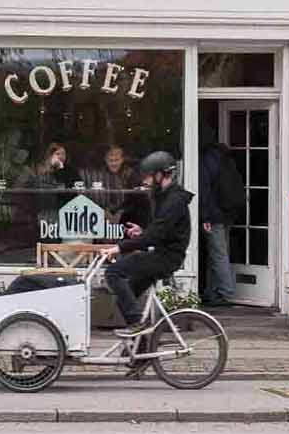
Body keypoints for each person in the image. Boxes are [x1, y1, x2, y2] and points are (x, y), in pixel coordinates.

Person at [104, 149, 193, 330]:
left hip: (166, 258)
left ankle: (138, 326)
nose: (145, 181)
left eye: (148, 177)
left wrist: (120, 248)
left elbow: (156, 235)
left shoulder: (174, 201)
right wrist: (142, 231)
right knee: (125, 300)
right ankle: (142, 352)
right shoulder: (166, 197)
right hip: (162, 254)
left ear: (160, 175)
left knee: (113, 272)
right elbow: (161, 231)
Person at [195, 135, 242, 308]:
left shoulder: (204, 159)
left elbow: (205, 190)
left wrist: (206, 216)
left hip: (215, 212)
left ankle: (225, 292)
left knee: (217, 252)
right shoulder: (222, 156)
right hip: (228, 210)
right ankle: (212, 292)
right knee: (217, 251)